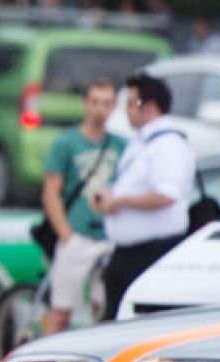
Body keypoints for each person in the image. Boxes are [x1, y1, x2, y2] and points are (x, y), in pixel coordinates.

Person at [92, 73, 195, 321]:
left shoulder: (168, 144)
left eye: (131, 103)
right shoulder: (142, 142)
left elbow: (166, 195)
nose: (126, 110)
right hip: (129, 252)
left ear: (149, 106)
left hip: (152, 252)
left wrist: (118, 202)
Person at [38, 80, 125, 335]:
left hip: (109, 236)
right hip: (77, 233)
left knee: (106, 309)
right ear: (85, 104)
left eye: (107, 103)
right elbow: (51, 192)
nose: (100, 109)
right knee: (61, 309)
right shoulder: (66, 143)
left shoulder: (121, 145)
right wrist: (65, 234)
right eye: (95, 102)